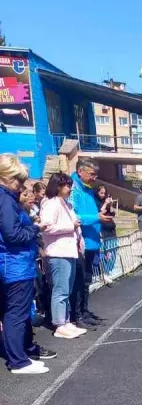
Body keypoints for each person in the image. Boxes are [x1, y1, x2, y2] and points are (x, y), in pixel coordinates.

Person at [0, 154, 56, 374]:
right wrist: (35, 228)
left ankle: (20, 355)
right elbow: (12, 235)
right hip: (15, 264)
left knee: (13, 312)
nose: (20, 186)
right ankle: (18, 361)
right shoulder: (5, 199)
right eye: (17, 181)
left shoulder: (7, 198)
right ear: (5, 177)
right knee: (16, 313)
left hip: (13, 263)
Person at [40, 173, 87, 339]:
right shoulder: (50, 204)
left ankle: (66, 321)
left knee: (67, 288)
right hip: (58, 252)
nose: (70, 189)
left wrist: (78, 235)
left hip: (69, 251)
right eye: (67, 186)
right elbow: (46, 227)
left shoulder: (67, 204)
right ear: (58, 186)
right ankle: (59, 323)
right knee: (60, 290)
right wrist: (70, 226)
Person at [69, 157, 113, 328]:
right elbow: (75, 216)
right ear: (81, 172)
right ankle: (77, 314)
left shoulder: (87, 188)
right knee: (80, 280)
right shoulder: (74, 189)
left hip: (92, 241)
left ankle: (84, 311)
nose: (95, 178)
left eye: (96, 174)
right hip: (82, 242)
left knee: (87, 280)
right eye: (92, 174)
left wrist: (100, 216)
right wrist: (96, 217)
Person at [95, 185, 118, 280]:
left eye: (105, 193)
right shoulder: (95, 202)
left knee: (113, 250)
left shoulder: (107, 201)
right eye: (101, 193)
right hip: (103, 229)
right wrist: (105, 203)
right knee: (105, 252)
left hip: (111, 229)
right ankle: (104, 272)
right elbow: (99, 213)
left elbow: (113, 213)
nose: (103, 195)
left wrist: (111, 204)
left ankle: (109, 269)